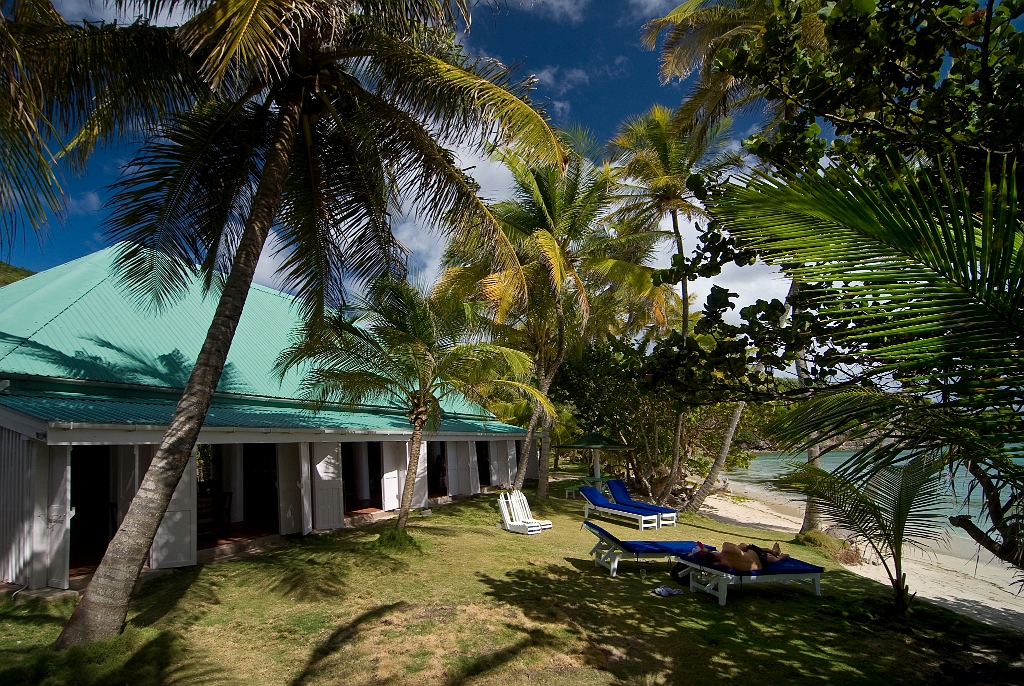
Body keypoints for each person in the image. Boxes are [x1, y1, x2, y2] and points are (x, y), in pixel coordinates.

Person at [691, 541, 789, 572]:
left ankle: (776, 555)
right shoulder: (726, 548)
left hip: (759, 566)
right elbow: (744, 546)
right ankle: (773, 552)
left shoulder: (719, 564)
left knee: (744, 553)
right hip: (757, 557)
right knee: (746, 547)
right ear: (707, 551)